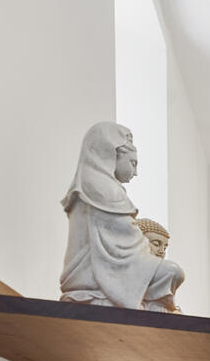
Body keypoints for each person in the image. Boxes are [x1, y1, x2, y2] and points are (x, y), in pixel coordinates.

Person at [59, 122, 184, 311]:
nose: (135, 172)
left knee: (169, 272)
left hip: (112, 265)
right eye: (133, 163)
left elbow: (123, 240)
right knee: (173, 272)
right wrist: (145, 248)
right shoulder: (102, 187)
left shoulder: (98, 185)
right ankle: (152, 310)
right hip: (97, 273)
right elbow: (124, 240)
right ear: (111, 154)